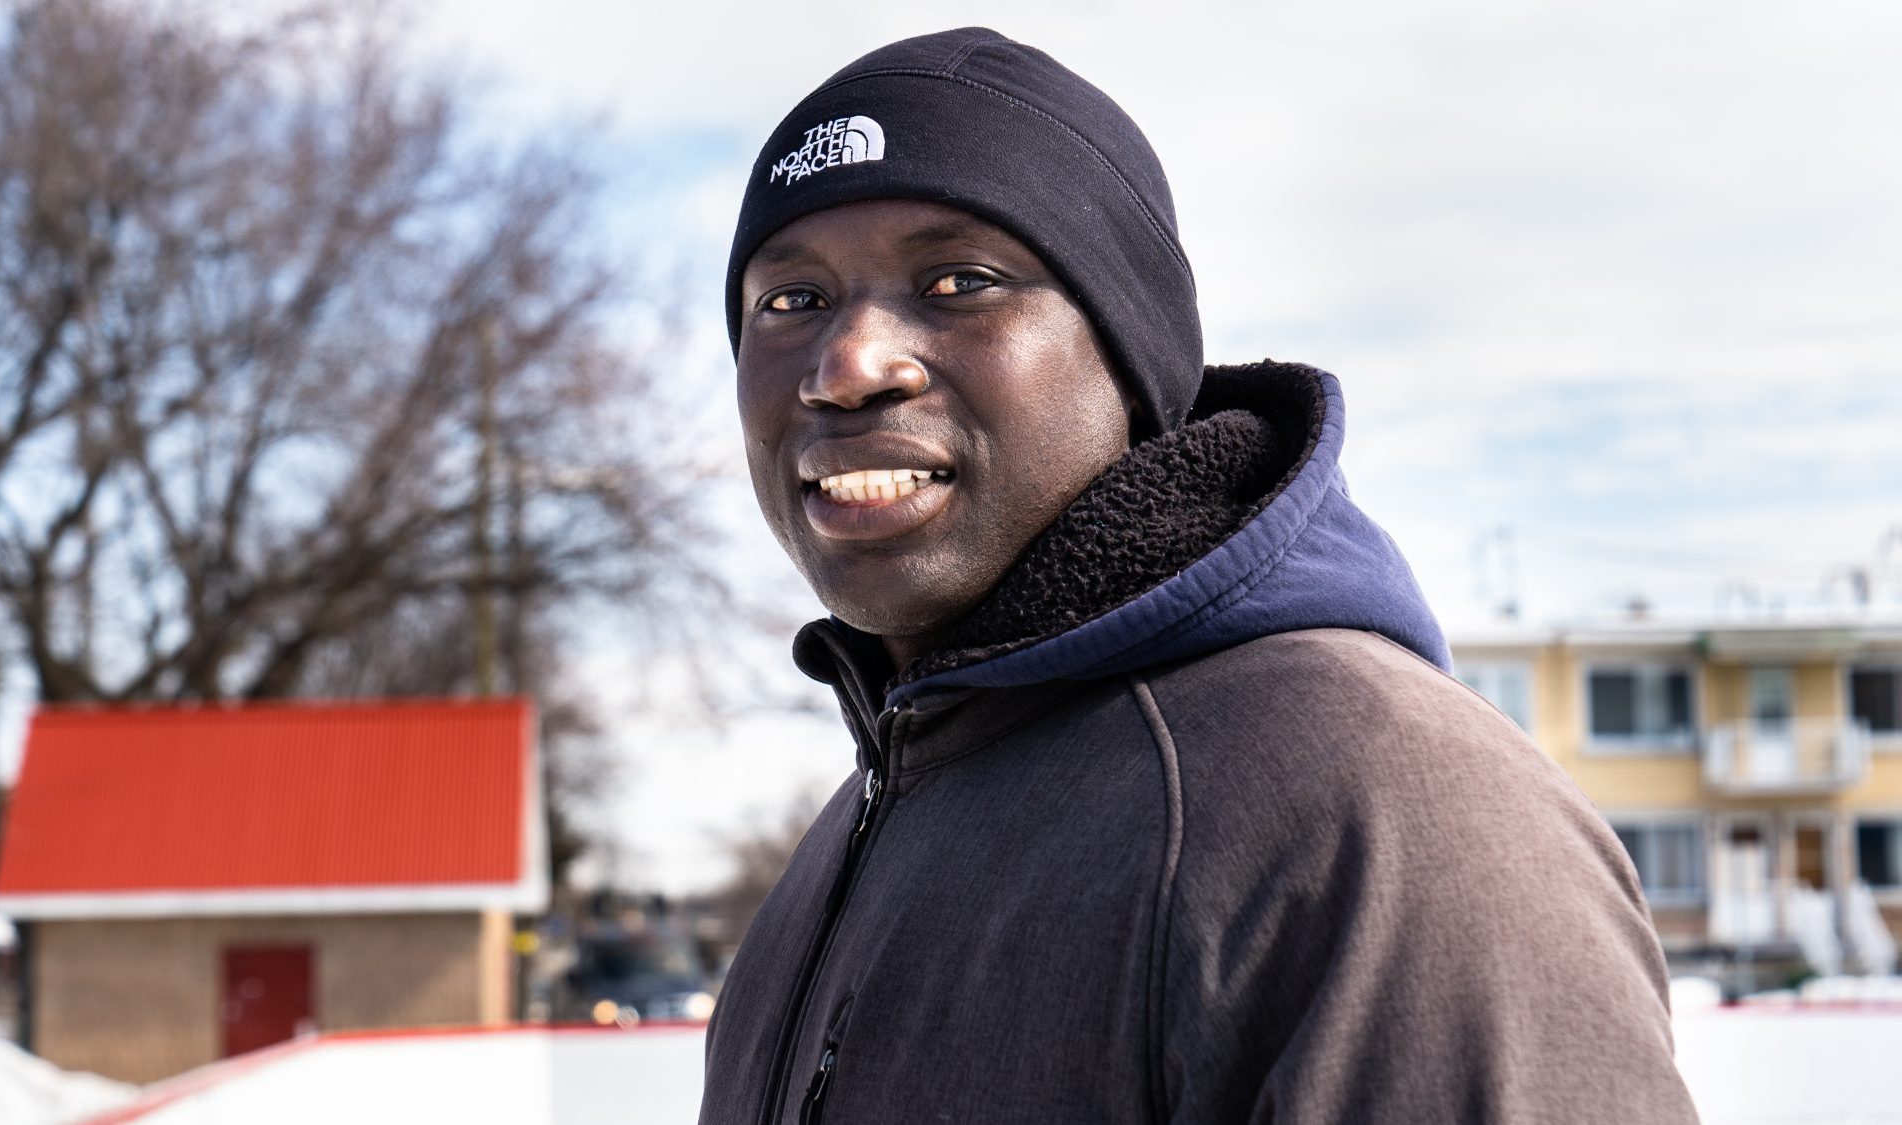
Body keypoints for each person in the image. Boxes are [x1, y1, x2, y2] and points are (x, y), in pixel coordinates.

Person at [704, 26, 1699, 1124]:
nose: (846, 366)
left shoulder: (1376, 803)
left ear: (1130, 363)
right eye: (789, 301)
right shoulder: (861, 829)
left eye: (957, 282)